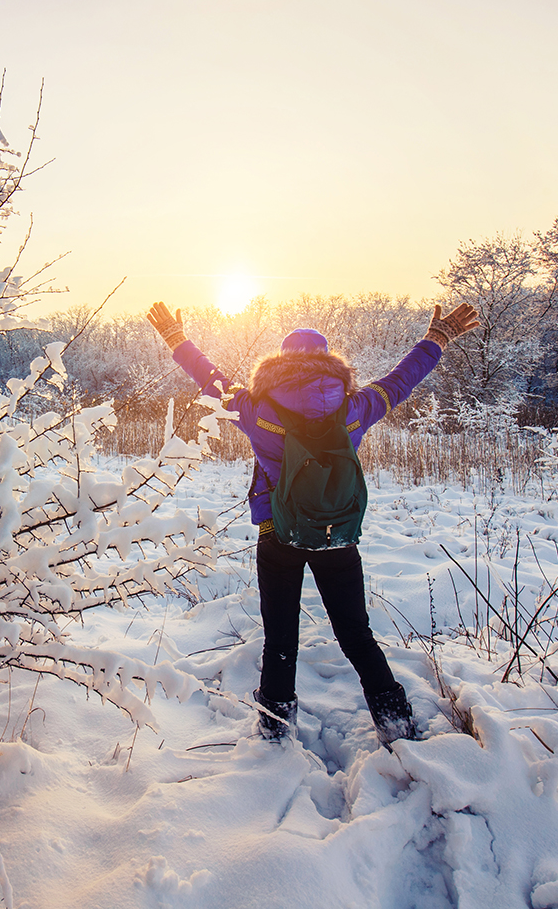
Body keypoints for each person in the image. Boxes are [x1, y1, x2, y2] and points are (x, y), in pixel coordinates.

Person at [147, 300, 479, 748]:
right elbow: (401, 381)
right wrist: (437, 338)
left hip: (276, 533)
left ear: (278, 365)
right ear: (330, 365)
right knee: (357, 635)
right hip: (336, 535)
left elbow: (209, 377)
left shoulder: (254, 409)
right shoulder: (355, 408)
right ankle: (396, 726)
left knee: (280, 638)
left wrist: (175, 338)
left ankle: (274, 732)